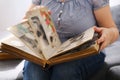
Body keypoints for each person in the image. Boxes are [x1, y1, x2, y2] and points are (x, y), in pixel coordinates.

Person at [23, 0, 119, 80]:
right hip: (49, 51)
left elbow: (112, 29)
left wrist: (108, 34)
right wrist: (34, 16)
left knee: (64, 71)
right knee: (33, 69)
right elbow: (24, 24)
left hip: (86, 51)